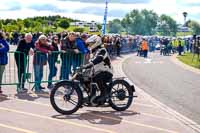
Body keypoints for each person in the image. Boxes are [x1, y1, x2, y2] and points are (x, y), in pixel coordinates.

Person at [81, 35, 113, 104]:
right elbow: (90, 61)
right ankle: (92, 96)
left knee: (97, 77)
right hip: (98, 71)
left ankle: (104, 94)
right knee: (85, 79)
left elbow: (99, 59)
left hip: (107, 71)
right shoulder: (93, 51)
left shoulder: (102, 50)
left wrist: (91, 64)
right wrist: (84, 67)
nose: (89, 45)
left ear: (96, 42)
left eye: (91, 43)